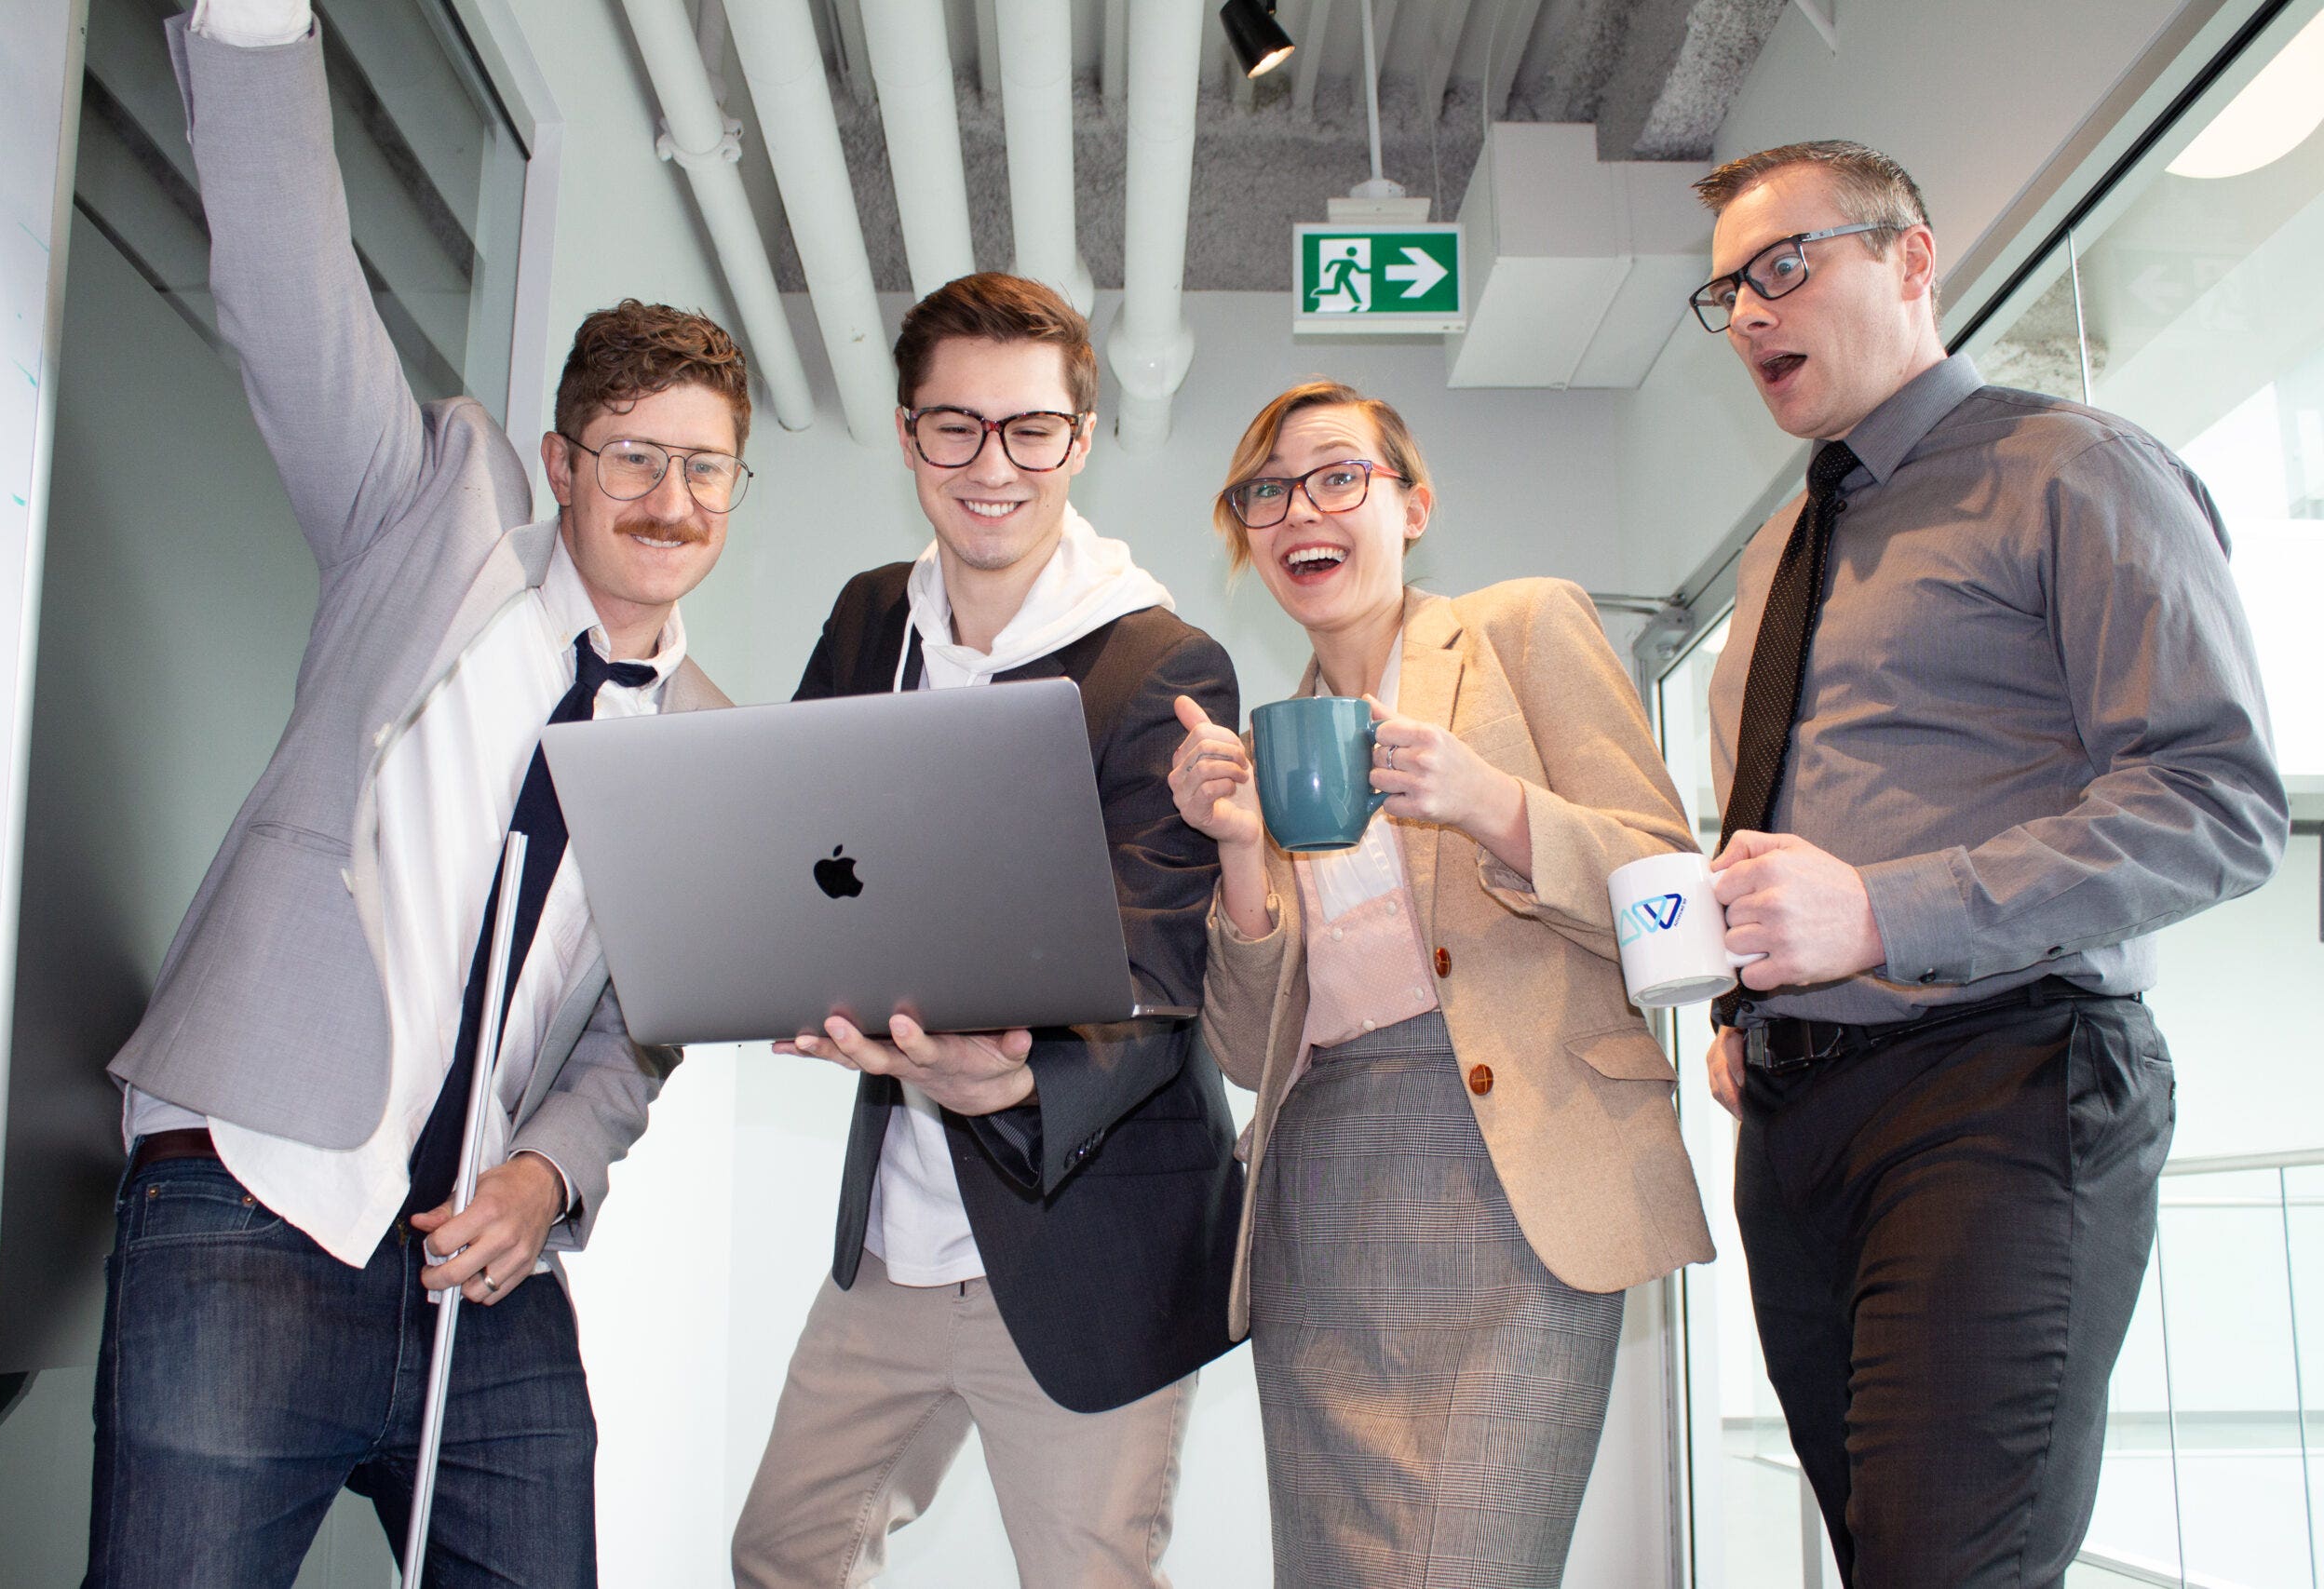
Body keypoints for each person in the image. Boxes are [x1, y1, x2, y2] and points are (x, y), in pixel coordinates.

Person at [88, 9, 749, 1585]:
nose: (670, 501)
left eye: (708, 468)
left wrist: (546, 1175)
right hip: (255, 1201)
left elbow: (628, 1039)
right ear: (560, 461)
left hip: (482, 1268)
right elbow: (291, 294)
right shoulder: (424, 523)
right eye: (633, 458)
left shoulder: (714, 745)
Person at [1690, 140, 2288, 1586]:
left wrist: (1883, 912)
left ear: (1911, 258)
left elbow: (2217, 799)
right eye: (1725, 296)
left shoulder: (2071, 467)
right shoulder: (1778, 547)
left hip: (2003, 1085)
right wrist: (1737, 999)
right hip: (1798, 1120)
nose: (1754, 313)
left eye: (1786, 266)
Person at [727, 273, 1244, 1589]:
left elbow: (1157, 956)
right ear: (908, 439)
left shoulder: (1155, 662)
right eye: (953, 427)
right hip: (893, 1246)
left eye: (1029, 430)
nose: (991, 465)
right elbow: (797, 844)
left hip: (1088, 1243)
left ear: (1078, 440)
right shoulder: (866, 619)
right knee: (782, 1556)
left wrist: (1017, 1076)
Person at [1173, 379, 1715, 1587]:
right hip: (1328, 1188)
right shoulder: (1268, 748)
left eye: (1336, 476)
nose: (1299, 509)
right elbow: (1249, 1045)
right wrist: (1242, 854)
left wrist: (1489, 802)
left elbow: (1670, 885)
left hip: (1518, 1170)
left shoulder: (1521, 631)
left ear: (1412, 504)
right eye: (1265, 491)